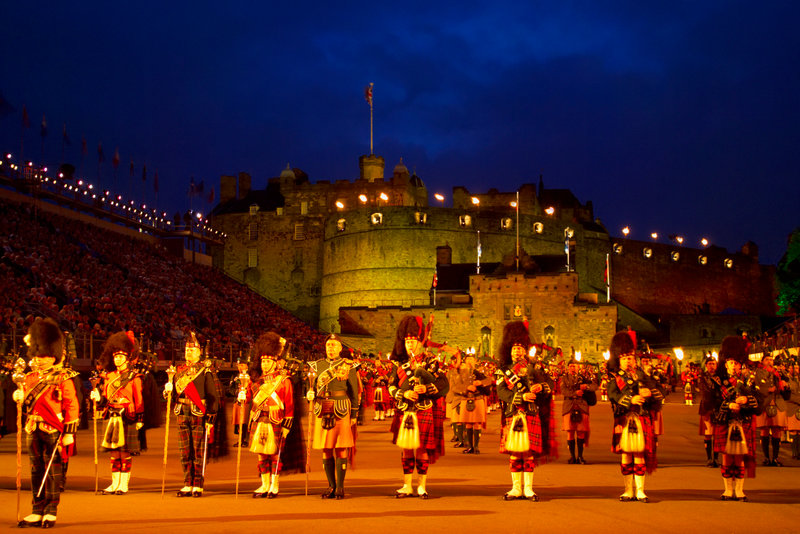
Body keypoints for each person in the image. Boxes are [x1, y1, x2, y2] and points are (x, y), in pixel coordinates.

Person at [13, 318, 80, 528]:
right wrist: (18, 397)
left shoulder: (63, 377)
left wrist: (69, 431)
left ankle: (51, 510)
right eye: (38, 355)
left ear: (54, 356)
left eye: (45, 356)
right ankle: (36, 508)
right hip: (32, 427)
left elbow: (72, 404)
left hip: (53, 428)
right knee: (35, 469)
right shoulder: (30, 377)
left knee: (53, 470)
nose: (40, 359)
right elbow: (25, 402)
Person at [388, 316, 449, 499]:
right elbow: (391, 386)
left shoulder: (431, 362)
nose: (410, 345)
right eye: (407, 341)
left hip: (424, 408)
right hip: (406, 410)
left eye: (413, 341)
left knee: (422, 448)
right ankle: (406, 485)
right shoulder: (398, 363)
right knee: (407, 448)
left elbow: (444, 384)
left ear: (420, 342)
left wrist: (427, 388)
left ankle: (422, 486)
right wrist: (403, 394)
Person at [496, 321, 557, 501]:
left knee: (528, 451)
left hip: (531, 413)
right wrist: (520, 398)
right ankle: (516, 488)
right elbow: (501, 392)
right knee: (516, 452)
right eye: (514, 348)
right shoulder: (503, 370)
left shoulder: (535, 368)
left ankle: (528, 488)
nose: (517, 351)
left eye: (520, 348)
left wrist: (541, 386)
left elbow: (550, 384)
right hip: (513, 413)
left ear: (525, 349)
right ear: (509, 350)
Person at [244, 332, 304, 497]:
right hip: (258, 418)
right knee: (261, 455)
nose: (264, 364)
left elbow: (289, 405)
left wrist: (286, 425)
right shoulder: (256, 381)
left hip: (276, 420)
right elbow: (249, 400)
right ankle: (264, 485)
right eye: (262, 361)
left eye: (267, 361)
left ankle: (274, 485)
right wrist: (242, 394)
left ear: (275, 362)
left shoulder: (284, 381)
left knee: (275, 455)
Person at [607, 330, 663, 502]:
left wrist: (650, 394)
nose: (627, 360)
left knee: (639, 454)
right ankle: (627, 490)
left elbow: (660, 394)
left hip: (642, 418)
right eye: (624, 358)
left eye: (630, 357)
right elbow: (613, 395)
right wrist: (632, 398)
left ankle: (640, 491)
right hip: (624, 418)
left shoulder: (644, 376)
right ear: (619, 360)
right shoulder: (615, 379)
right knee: (626, 455)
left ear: (635, 359)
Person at [163, 332, 221, 497]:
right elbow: (173, 395)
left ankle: (198, 484)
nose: (189, 353)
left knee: (197, 450)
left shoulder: (204, 370)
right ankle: (187, 483)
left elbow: (212, 396)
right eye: (187, 350)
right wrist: (168, 390)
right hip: (181, 411)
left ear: (199, 352)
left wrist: (211, 417)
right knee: (184, 450)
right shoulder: (179, 371)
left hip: (198, 412)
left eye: (192, 350)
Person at [90, 331, 144, 495]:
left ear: (128, 358)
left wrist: (140, 417)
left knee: (124, 451)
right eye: (115, 357)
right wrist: (97, 397)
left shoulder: (135, 377)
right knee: (114, 451)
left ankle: (124, 484)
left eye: (121, 356)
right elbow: (105, 398)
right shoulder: (109, 376)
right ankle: (114, 483)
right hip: (112, 414)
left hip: (127, 415)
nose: (118, 359)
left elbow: (139, 399)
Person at [306, 333, 360, 499]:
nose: (331, 348)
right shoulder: (317, 365)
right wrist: (309, 393)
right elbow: (312, 386)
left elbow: (354, 391)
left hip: (342, 407)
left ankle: (340, 487)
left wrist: (354, 413)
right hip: (322, 408)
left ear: (340, 348)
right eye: (329, 345)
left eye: (334, 345)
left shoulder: (348, 366)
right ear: (325, 347)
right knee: (326, 448)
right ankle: (331, 485)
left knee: (340, 447)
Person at [712, 336, 759, 501]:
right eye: (731, 362)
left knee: (739, 458)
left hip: (743, 422)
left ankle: (739, 490)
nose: (734, 366)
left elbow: (758, 403)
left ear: (741, 364)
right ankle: (727, 489)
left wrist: (746, 401)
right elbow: (712, 403)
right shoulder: (718, 382)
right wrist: (727, 405)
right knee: (726, 456)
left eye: (737, 363)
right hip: (725, 422)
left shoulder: (749, 382)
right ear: (725, 364)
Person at [450, 352, 492, 454]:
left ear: (475, 361)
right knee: (468, 424)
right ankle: (470, 446)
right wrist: (466, 388)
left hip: (477, 399)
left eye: (471, 359)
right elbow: (454, 387)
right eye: (467, 359)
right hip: (465, 399)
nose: (469, 361)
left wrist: (481, 383)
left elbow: (489, 382)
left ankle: (476, 446)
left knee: (477, 424)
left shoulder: (480, 373)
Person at [754, 353, 791, 466]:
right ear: (763, 361)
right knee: (764, 431)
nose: (770, 361)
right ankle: (766, 458)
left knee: (777, 431)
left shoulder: (778, 372)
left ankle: (775, 458)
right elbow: (758, 385)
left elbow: (788, 381)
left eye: (771, 359)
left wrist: (785, 385)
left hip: (777, 402)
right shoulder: (759, 372)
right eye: (767, 359)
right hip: (765, 402)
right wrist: (768, 389)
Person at [560, 357, 597, 464]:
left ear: (578, 367)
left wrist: (587, 386)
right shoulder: (564, 378)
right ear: (567, 368)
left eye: (575, 366)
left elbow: (595, 386)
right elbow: (563, 391)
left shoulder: (584, 377)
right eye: (571, 366)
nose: (573, 368)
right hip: (569, 406)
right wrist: (574, 393)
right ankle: (572, 457)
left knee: (581, 432)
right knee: (570, 432)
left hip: (582, 406)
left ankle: (580, 456)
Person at [697, 355, 720, 467]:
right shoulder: (702, 377)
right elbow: (705, 391)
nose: (712, 366)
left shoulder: (720, 376)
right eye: (710, 364)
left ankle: (715, 458)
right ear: (706, 365)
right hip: (707, 407)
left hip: (719, 407)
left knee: (717, 434)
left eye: (713, 364)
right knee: (708, 433)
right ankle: (709, 458)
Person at [229, 357, 252, 448]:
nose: (240, 367)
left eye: (242, 365)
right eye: (239, 365)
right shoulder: (235, 377)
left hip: (247, 401)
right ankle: (240, 440)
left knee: (245, 421)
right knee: (238, 422)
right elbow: (230, 389)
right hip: (237, 401)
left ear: (247, 366)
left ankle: (246, 440)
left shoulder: (251, 376)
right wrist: (237, 393)